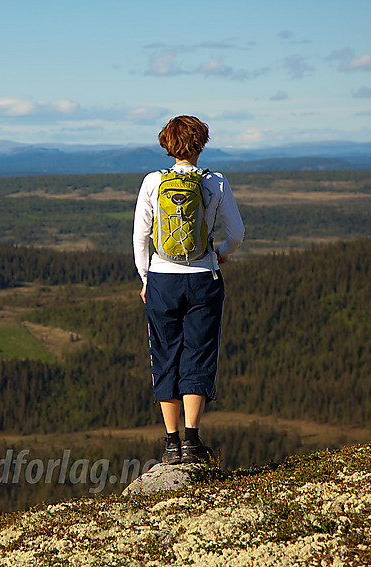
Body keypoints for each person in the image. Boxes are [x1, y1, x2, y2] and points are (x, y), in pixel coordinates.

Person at [132, 115, 245, 464]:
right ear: (201, 144)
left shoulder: (153, 182)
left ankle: (170, 443)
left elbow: (140, 237)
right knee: (198, 352)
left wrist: (146, 279)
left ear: (167, 144)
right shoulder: (216, 182)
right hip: (203, 278)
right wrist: (220, 255)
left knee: (164, 355)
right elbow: (237, 233)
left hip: (162, 279)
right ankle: (193, 442)